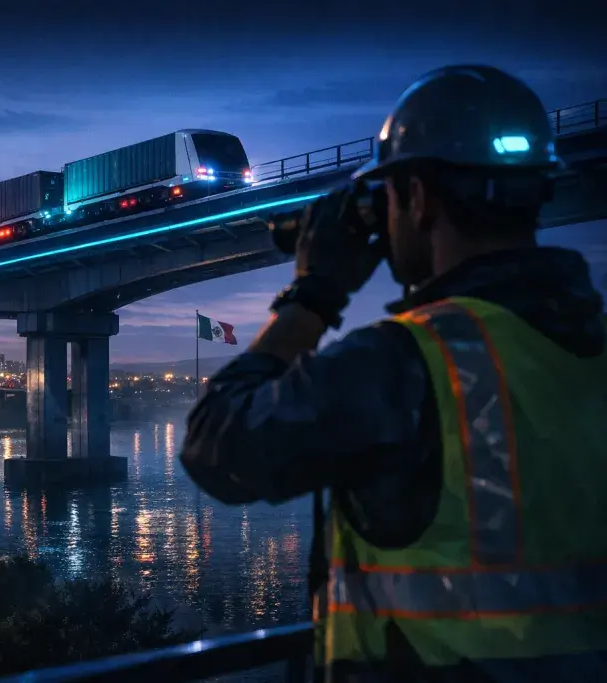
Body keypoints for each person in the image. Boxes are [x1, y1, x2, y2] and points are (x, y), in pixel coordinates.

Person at [180, 64, 607, 682]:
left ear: (417, 197)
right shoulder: (591, 347)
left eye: (387, 196)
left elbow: (217, 446)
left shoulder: (404, 362)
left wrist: (314, 294)